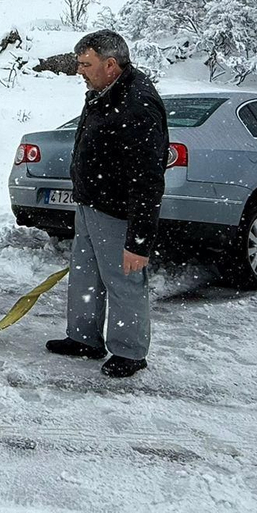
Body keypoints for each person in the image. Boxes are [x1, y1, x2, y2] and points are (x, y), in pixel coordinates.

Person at [46, 30, 169, 379]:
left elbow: (148, 179)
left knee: (124, 280)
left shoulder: (138, 103)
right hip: (90, 204)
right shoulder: (102, 92)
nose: (79, 71)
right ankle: (84, 338)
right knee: (85, 276)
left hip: (117, 212)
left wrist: (138, 242)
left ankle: (129, 352)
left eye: (86, 64)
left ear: (111, 65)